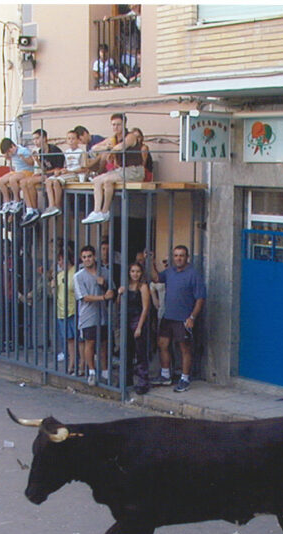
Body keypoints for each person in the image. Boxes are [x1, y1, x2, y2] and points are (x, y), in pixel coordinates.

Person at [147, 245, 205, 393]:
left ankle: (185, 379)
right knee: (162, 344)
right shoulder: (170, 271)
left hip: (184, 319)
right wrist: (151, 261)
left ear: (187, 257)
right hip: (168, 317)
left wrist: (192, 317)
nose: (178, 258)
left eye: (181, 255)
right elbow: (156, 278)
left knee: (185, 349)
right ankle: (165, 376)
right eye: (176, 255)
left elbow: (200, 299)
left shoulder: (194, 274)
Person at [82, 128, 148, 224]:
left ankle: (105, 211)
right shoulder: (113, 138)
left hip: (134, 170)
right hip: (121, 170)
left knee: (108, 180)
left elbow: (121, 147)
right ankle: (97, 211)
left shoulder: (130, 136)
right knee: (97, 180)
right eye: (113, 125)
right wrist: (107, 147)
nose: (116, 127)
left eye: (118, 125)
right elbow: (94, 148)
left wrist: (110, 149)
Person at [74, 245, 114, 386]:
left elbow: (111, 292)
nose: (87, 259)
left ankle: (105, 372)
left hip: (103, 314)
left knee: (103, 344)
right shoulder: (78, 276)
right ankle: (91, 372)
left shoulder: (104, 272)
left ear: (94, 257)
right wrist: (103, 297)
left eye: (89, 256)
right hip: (87, 315)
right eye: (84, 257)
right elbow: (84, 297)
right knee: (89, 343)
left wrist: (104, 285)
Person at [18, 129, 65, 226]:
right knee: (23, 182)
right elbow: (44, 168)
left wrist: (44, 173)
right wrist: (37, 161)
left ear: (44, 138)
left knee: (30, 182)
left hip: (55, 175)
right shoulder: (40, 151)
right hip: (46, 174)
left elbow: (59, 168)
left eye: (37, 138)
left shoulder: (54, 150)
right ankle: (30, 209)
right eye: (33, 139)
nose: (35, 141)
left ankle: (35, 210)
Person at [118, 261, 151, 394]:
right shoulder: (126, 286)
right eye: (132, 271)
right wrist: (120, 294)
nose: (135, 274)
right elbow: (118, 304)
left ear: (141, 273)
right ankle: (127, 379)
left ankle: (143, 381)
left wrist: (139, 326)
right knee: (127, 350)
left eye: (137, 271)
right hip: (127, 319)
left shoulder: (143, 287)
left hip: (138, 319)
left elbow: (145, 308)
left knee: (140, 352)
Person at [43, 130, 88, 219]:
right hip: (66, 173)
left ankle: (57, 205)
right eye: (69, 138)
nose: (71, 141)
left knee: (56, 182)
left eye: (73, 139)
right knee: (49, 180)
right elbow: (66, 166)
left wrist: (70, 172)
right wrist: (61, 171)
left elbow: (84, 168)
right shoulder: (66, 152)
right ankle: (51, 205)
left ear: (78, 140)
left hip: (75, 175)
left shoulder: (81, 152)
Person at [52, 244, 77, 372]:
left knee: (78, 339)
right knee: (69, 339)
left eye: (60, 259)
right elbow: (55, 294)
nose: (59, 263)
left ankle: (77, 364)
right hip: (62, 311)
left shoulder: (75, 272)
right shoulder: (59, 275)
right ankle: (72, 363)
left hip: (74, 310)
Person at [0, 138, 35, 217]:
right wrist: (8, 157)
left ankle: (17, 200)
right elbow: (12, 165)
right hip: (17, 171)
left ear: (12, 146)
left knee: (12, 179)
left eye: (9, 151)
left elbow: (31, 163)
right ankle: (7, 201)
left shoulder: (22, 151)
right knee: (1, 181)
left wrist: (23, 158)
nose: (9, 154)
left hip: (26, 171)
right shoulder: (11, 154)